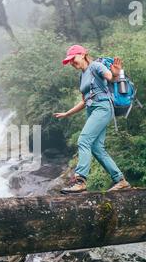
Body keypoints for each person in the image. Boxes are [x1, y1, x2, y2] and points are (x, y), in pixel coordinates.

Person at [54, 44, 131, 193]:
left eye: (73, 58)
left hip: (102, 107)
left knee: (83, 140)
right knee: (96, 148)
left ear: (82, 55)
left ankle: (80, 181)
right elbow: (84, 100)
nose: (71, 62)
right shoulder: (82, 75)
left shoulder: (96, 66)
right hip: (92, 109)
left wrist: (115, 74)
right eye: (69, 61)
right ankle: (120, 180)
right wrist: (67, 113)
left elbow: (111, 78)